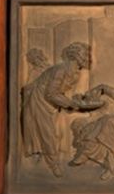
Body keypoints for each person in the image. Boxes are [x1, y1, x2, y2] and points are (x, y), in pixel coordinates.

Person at [21, 42, 92, 177]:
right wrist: (71, 104)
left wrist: (75, 100)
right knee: (48, 133)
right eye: (84, 54)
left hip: (52, 105)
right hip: (39, 102)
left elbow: (60, 91)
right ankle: (54, 165)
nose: (87, 57)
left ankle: (49, 158)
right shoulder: (60, 69)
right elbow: (50, 93)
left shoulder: (74, 73)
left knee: (55, 133)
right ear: (76, 56)